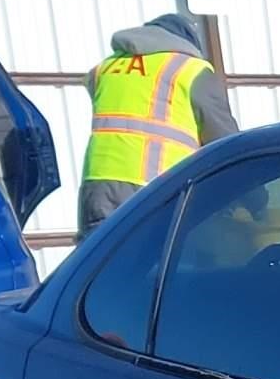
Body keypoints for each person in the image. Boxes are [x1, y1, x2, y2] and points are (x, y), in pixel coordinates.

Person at [77, 12, 237, 234]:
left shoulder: (105, 68)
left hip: (98, 186)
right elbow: (224, 140)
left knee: (102, 263)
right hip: (157, 187)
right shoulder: (189, 70)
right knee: (159, 262)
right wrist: (255, 196)